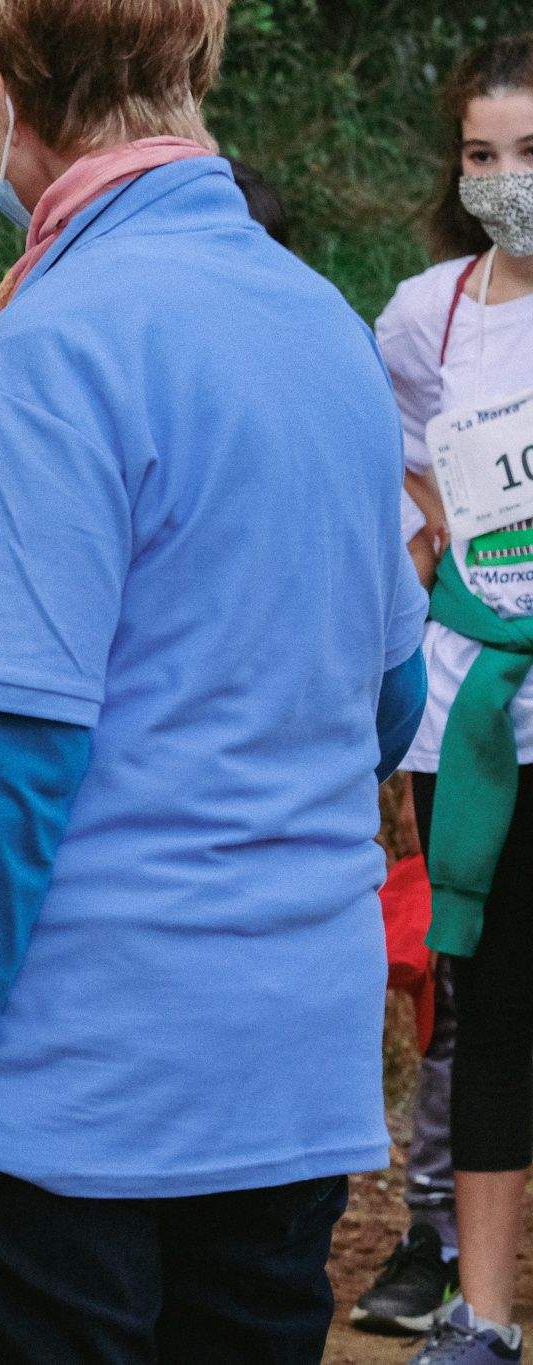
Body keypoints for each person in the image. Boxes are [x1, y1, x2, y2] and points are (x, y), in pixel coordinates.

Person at [0, 0, 431, 1360]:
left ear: (1, 95)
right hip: (285, 1075)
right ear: (194, 66)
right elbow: (384, 703)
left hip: (70, 1097)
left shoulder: (53, 344)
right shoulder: (324, 323)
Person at [375, 33, 533, 1365]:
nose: (504, 180)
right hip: (469, 714)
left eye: (530, 153)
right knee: (487, 1001)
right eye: (481, 155)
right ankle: (482, 1312)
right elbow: (416, 498)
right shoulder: (422, 317)